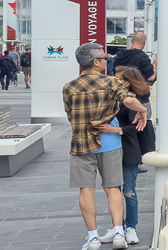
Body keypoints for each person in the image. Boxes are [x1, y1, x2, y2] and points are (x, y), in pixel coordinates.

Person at [63, 42, 148, 250]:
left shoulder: (69, 87)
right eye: (104, 57)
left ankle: (93, 237)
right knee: (113, 189)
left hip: (81, 144)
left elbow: (69, 115)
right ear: (95, 62)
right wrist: (142, 111)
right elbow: (129, 101)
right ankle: (119, 233)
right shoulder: (110, 82)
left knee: (86, 190)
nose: (106, 60)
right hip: (109, 144)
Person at [98, 68, 155, 247]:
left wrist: (114, 130)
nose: (116, 81)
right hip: (111, 149)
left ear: (129, 82)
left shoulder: (132, 102)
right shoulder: (114, 97)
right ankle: (118, 228)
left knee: (129, 191)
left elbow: (137, 128)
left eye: (120, 79)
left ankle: (130, 227)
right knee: (114, 191)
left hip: (127, 150)